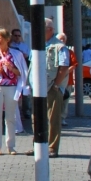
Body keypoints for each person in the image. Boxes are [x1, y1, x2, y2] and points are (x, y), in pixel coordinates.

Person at [33, 19, 70, 158]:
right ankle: (37, 145)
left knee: (52, 119)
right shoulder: (39, 45)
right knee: (35, 118)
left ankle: (52, 147)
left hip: (51, 88)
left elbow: (64, 66)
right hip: (37, 87)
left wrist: (56, 85)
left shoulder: (59, 47)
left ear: (50, 30)